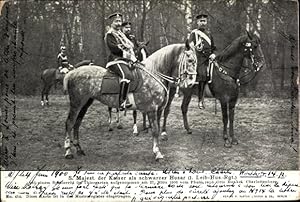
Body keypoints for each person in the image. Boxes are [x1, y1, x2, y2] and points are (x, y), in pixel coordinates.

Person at [104, 13, 138, 110]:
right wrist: (129, 56)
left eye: (120, 21)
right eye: (116, 21)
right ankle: (122, 101)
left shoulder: (122, 35)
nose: (119, 23)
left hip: (125, 60)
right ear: (112, 23)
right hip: (115, 60)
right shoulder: (110, 34)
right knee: (126, 75)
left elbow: (129, 47)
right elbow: (115, 49)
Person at [188, 13, 216, 109]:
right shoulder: (194, 33)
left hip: (209, 59)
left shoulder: (209, 34)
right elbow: (189, 45)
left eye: (204, 21)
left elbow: (213, 47)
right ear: (197, 22)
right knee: (202, 74)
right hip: (198, 59)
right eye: (201, 21)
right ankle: (200, 100)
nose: (203, 23)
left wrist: (213, 54)